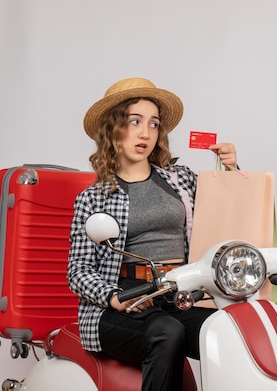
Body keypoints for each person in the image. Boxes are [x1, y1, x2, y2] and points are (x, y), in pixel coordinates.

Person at [67, 77, 237, 391]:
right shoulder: (94, 198)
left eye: (153, 124)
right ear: (113, 128)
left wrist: (230, 168)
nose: (146, 132)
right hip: (124, 301)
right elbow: (78, 272)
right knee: (166, 332)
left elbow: (227, 209)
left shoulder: (180, 179)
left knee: (231, 331)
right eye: (134, 121)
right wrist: (114, 297)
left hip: (181, 294)